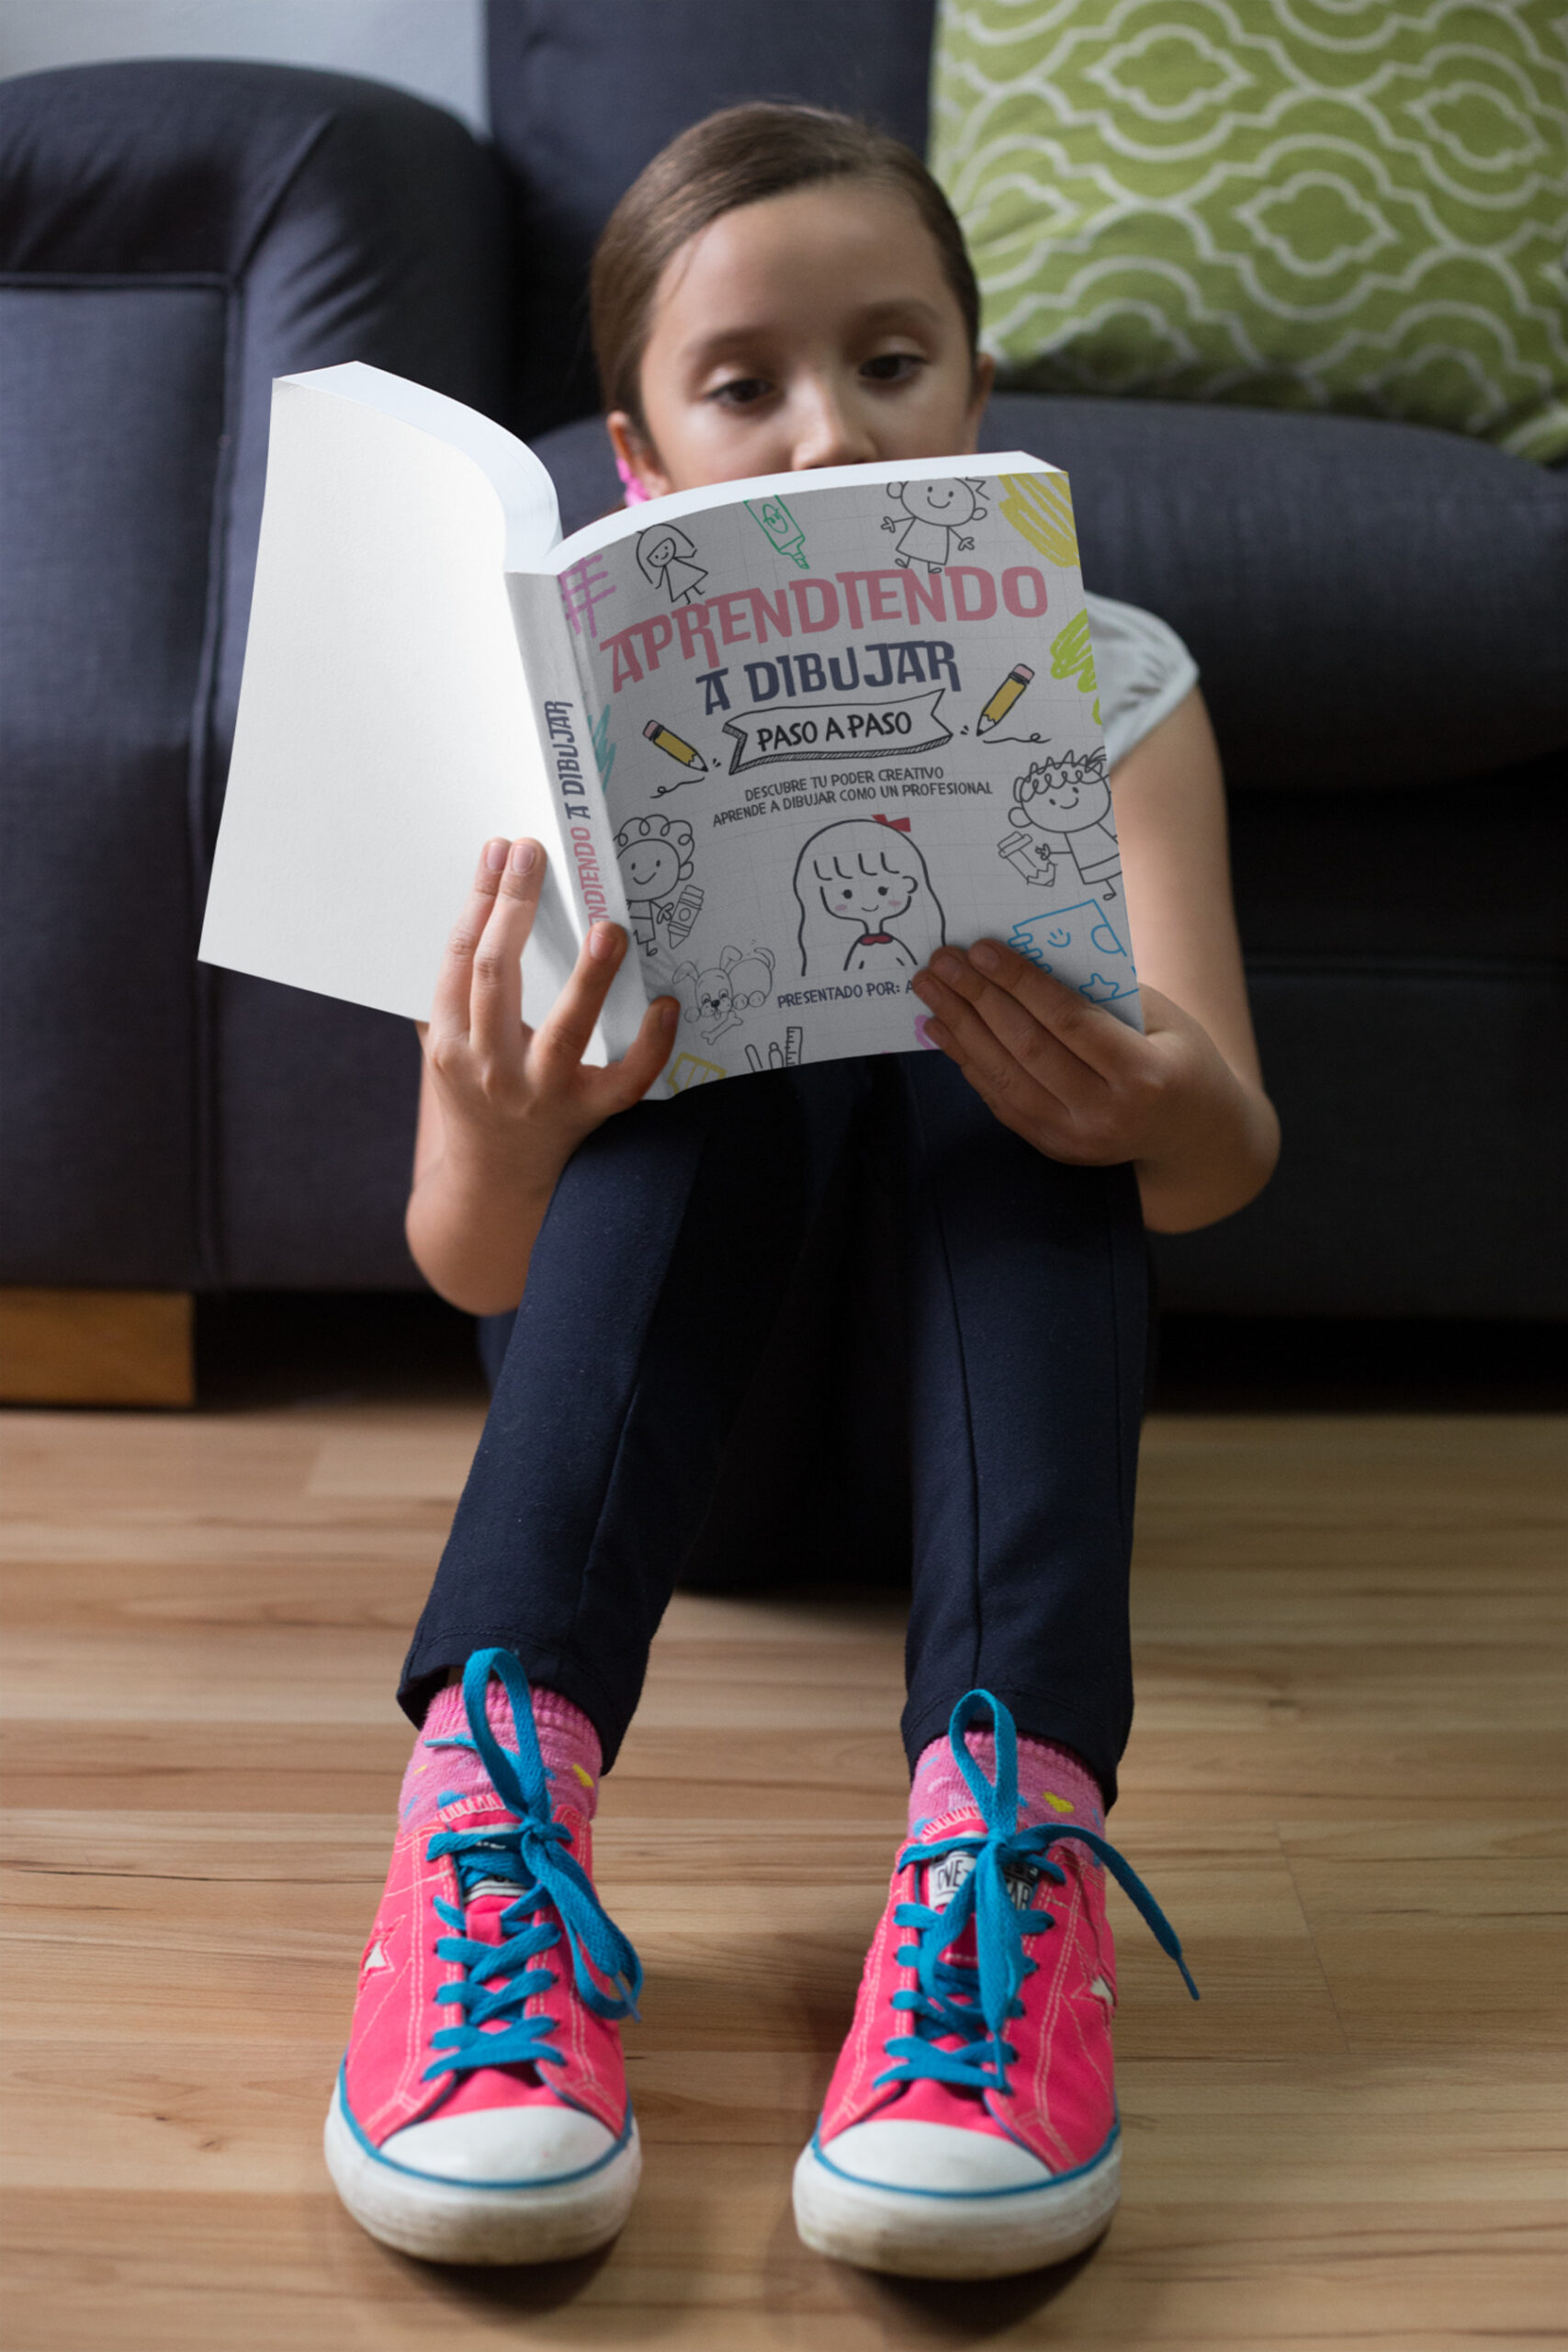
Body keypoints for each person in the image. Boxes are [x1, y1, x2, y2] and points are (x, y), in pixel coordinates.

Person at [323, 106, 1279, 2280]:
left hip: (975, 1451)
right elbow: (465, 1257)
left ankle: (1003, 1855)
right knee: (705, 1035)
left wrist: (1135, 1091)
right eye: (740, 384)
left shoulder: (1111, 680)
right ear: (637, 450)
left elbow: (1224, 1159)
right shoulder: (551, 711)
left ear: (975, 386)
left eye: (891, 360)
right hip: (672, 1458)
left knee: (1020, 1066)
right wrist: (500, 1120)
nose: (826, 435)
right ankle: (488, 1817)